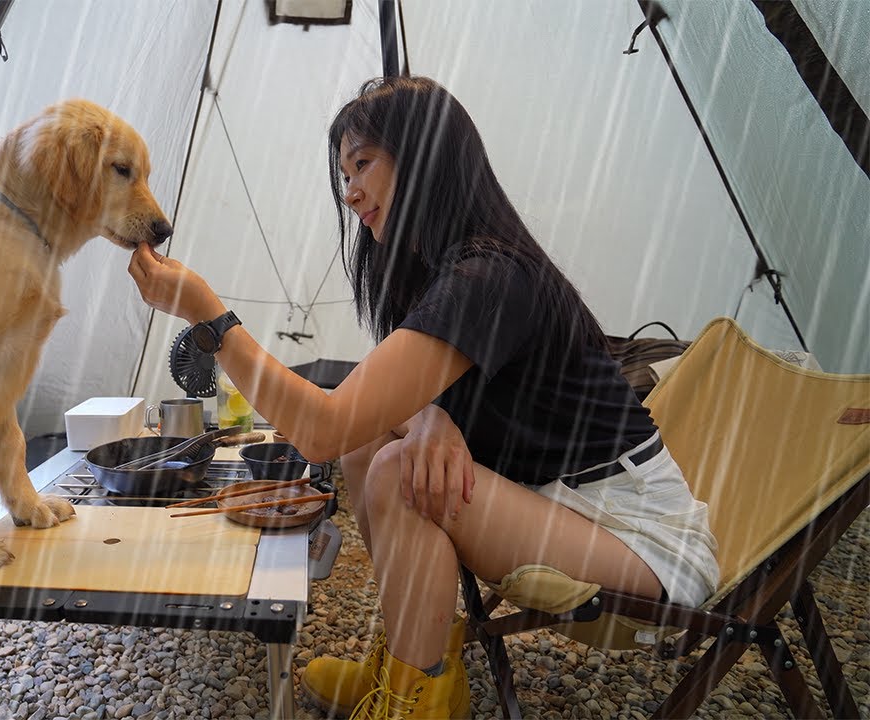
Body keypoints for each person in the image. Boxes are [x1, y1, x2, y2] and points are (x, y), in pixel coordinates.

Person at [127, 75, 719, 719]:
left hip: (637, 536)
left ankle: (417, 697)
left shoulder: (489, 275)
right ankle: (411, 669)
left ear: (426, 157)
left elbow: (320, 429)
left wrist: (211, 320)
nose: (349, 192)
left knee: (395, 470)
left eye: (363, 164)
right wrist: (434, 415)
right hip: (554, 496)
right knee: (370, 448)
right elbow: (378, 413)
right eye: (344, 172)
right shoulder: (443, 266)